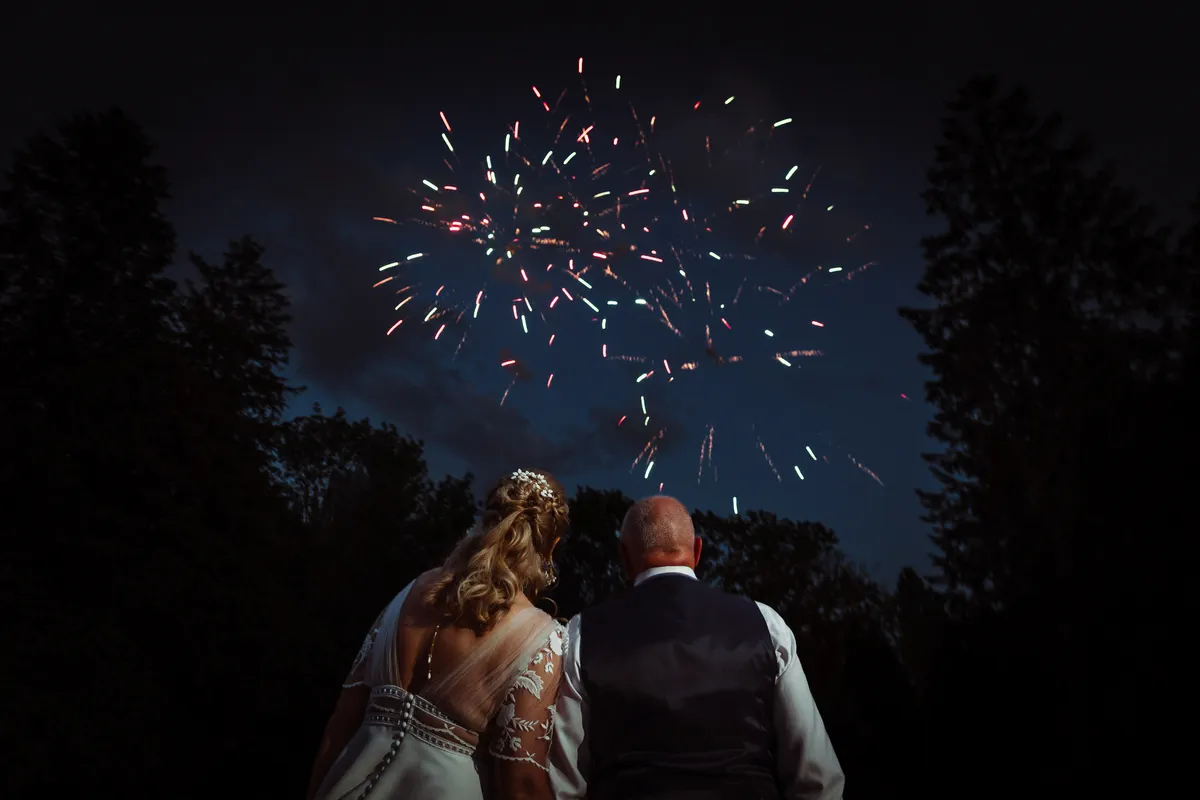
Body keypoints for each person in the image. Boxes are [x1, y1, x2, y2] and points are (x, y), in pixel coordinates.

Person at [550, 495, 845, 800]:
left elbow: (564, 784)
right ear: (698, 551)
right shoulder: (766, 624)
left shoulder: (582, 632)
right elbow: (817, 777)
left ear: (624, 557)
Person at [307, 468, 570, 800]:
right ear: (552, 545)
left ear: (487, 519)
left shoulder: (410, 592)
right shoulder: (541, 637)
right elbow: (521, 782)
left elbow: (342, 720)